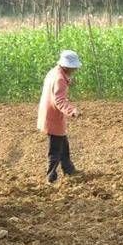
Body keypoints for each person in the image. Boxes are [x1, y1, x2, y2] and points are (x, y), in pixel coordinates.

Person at [37, 50, 81, 183]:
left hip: (48, 114)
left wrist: (69, 82)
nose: (74, 70)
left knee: (63, 144)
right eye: (73, 68)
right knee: (55, 149)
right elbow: (59, 100)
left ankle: (69, 169)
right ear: (67, 66)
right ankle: (50, 177)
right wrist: (72, 110)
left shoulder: (54, 72)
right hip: (53, 118)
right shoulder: (60, 78)